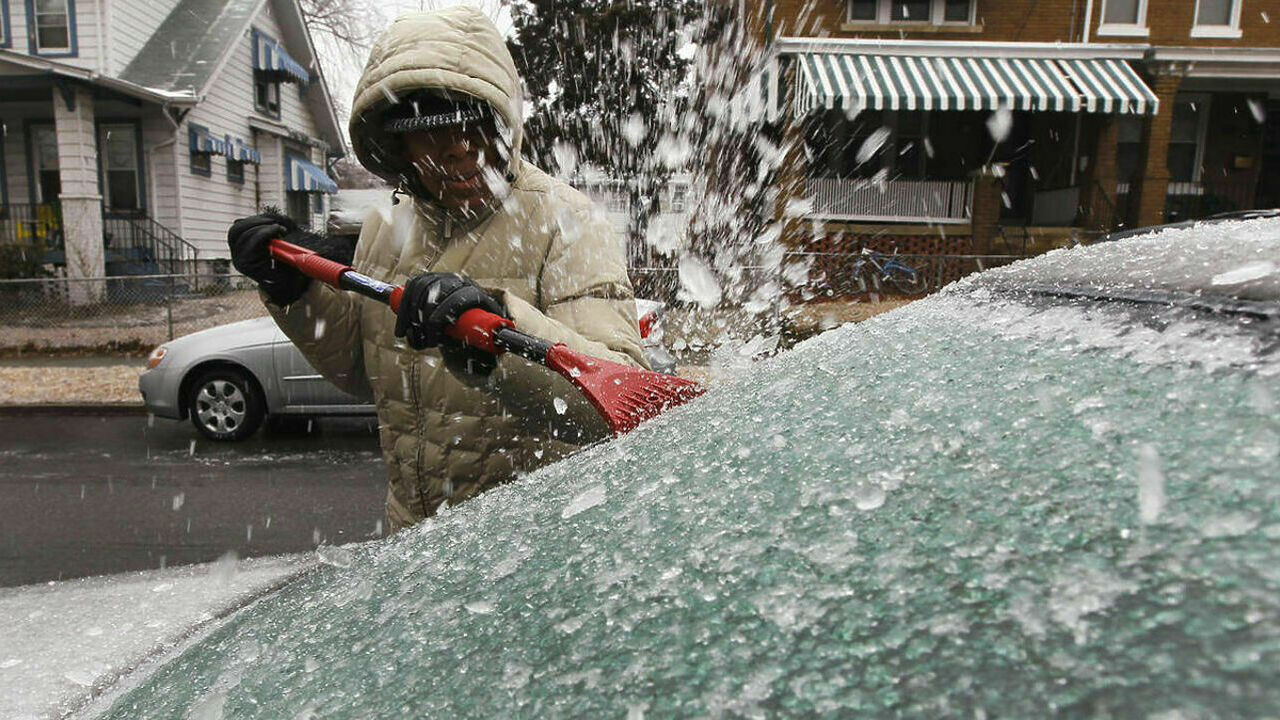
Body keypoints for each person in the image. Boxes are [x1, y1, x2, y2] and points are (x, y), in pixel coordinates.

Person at [227, 6, 647, 532]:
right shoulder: (387, 224)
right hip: (412, 543)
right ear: (393, 142)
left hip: (531, 545)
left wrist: (498, 335)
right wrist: (297, 294)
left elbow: (619, 406)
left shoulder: (565, 222)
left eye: (477, 124)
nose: (462, 150)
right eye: (433, 132)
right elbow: (364, 373)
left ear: (506, 122)